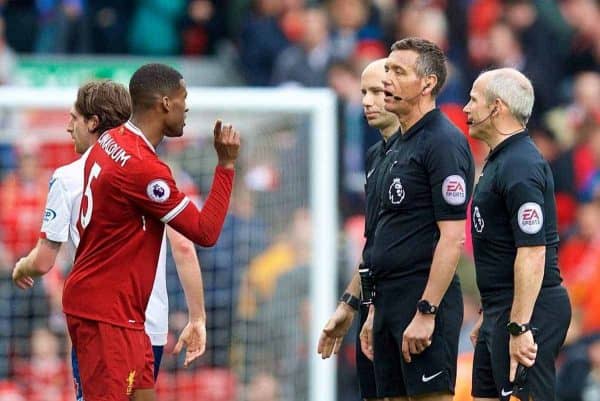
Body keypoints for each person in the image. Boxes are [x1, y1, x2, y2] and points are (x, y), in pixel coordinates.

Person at [11, 80, 208, 398]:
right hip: (151, 322)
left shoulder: (69, 176)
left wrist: (23, 267)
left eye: (73, 117)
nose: (67, 127)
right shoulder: (151, 171)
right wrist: (197, 315)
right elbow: (185, 246)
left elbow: (45, 259)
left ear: (93, 122)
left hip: (103, 319)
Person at [62, 64, 238, 401]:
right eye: (183, 99)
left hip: (125, 314)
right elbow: (204, 232)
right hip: (106, 317)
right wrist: (226, 166)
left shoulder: (112, 139)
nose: (187, 108)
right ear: (165, 103)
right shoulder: (143, 169)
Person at [360, 37, 475, 400]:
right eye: (388, 70)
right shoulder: (395, 147)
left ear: (427, 84)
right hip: (389, 302)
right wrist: (374, 308)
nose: (387, 80)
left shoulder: (443, 142)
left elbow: (453, 237)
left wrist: (427, 310)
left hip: (422, 299)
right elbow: (384, 236)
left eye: (398, 72)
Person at [464, 67, 571, 401]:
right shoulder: (500, 161)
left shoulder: (520, 165)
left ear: (497, 108)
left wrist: (520, 325)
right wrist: (490, 311)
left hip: (529, 310)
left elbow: (533, 251)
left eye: (473, 100)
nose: (466, 108)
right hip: (501, 308)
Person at [317, 58, 399, 401]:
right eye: (363, 91)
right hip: (377, 301)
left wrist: (427, 309)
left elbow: (443, 239)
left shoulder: (430, 149)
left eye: (377, 92)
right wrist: (359, 303)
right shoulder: (375, 156)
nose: (366, 100)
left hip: (412, 306)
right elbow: (374, 247)